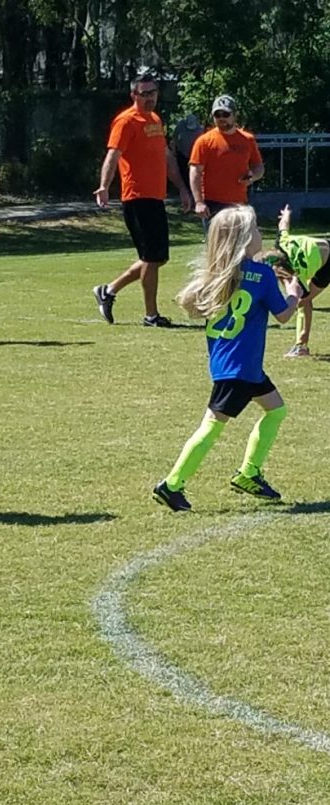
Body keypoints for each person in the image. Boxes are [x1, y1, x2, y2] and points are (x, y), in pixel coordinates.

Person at [153, 206, 300, 512]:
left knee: (276, 409)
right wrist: (294, 292)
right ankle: (172, 484)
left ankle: (248, 473)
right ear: (244, 239)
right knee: (211, 427)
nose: (261, 234)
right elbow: (284, 316)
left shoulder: (219, 273)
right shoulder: (260, 275)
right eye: (257, 229)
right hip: (241, 368)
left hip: (233, 365)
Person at [92, 72, 192, 328]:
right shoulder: (126, 121)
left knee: (158, 257)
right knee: (151, 257)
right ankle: (151, 315)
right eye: (144, 93)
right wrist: (104, 186)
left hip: (156, 196)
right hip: (136, 197)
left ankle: (109, 290)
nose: (150, 98)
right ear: (134, 95)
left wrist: (181, 187)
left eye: (153, 92)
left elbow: (167, 158)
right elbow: (113, 155)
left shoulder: (156, 120)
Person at [263, 203, 330, 358]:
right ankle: (301, 346)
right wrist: (286, 214)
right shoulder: (281, 243)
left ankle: (301, 347)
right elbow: (283, 225)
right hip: (326, 247)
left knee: (302, 301)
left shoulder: (293, 274)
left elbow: (296, 296)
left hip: (327, 264)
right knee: (304, 300)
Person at [189, 95, 264, 229]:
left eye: (226, 114)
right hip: (212, 204)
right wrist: (199, 202)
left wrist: (252, 176)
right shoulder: (204, 141)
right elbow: (195, 172)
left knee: (241, 247)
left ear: (235, 115)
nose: (222, 118)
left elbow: (258, 167)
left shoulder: (248, 140)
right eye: (217, 115)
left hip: (240, 204)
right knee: (218, 248)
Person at [171, 113, 204, 199]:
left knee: (192, 173)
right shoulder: (180, 125)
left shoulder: (200, 130)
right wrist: (174, 150)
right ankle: (182, 190)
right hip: (181, 153)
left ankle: (192, 192)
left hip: (193, 155)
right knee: (182, 172)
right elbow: (174, 138)